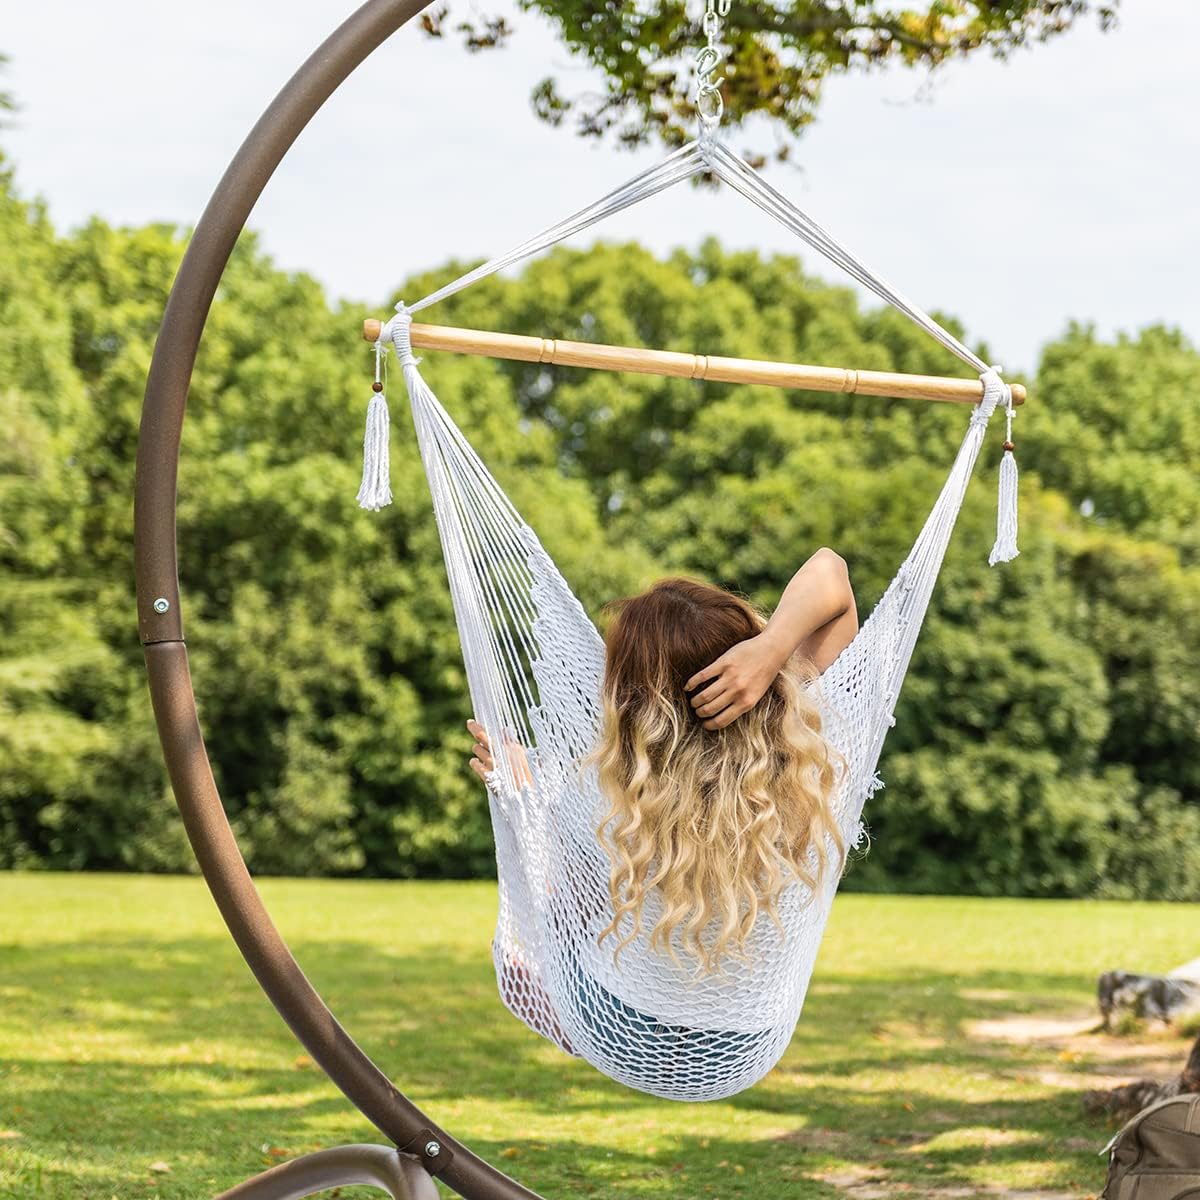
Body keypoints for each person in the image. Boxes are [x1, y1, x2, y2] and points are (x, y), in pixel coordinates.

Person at [466, 547, 859, 980]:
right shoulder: (807, 751)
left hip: (623, 1021)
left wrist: (526, 797)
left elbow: (570, 918)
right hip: (749, 1030)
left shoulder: (615, 796)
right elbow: (830, 570)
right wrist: (769, 650)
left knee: (522, 965)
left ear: (631, 699)